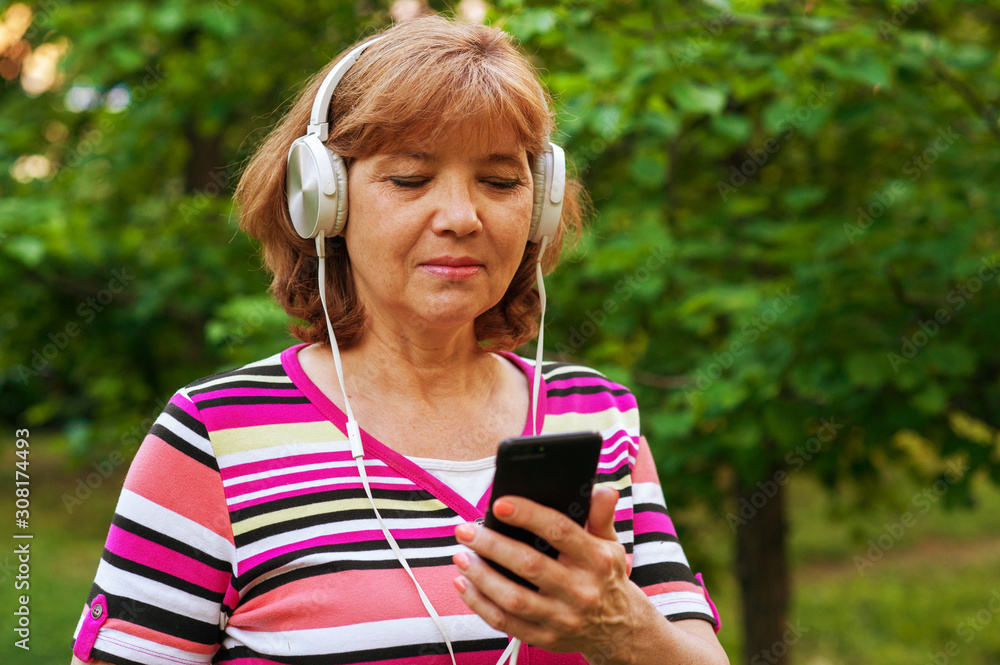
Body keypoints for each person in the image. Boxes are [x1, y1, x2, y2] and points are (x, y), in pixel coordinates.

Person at [71, 16, 727, 665]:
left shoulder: (597, 417)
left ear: (543, 203)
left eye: (500, 182)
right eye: (410, 179)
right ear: (322, 199)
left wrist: (620, 629)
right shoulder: (213, 437)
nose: (462, 218)